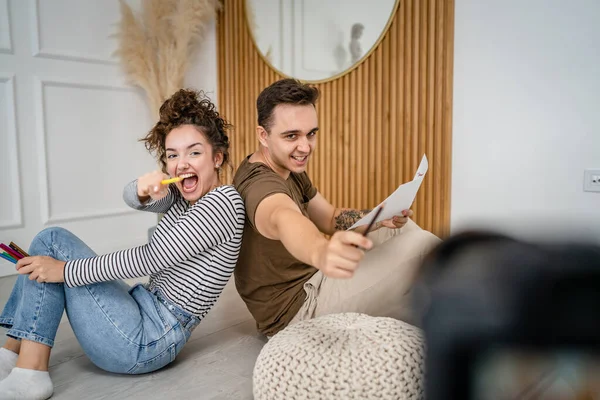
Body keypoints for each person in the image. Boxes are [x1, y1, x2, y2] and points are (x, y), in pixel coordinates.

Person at [0, 89, 245, 399]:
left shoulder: (223, 202)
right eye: (172, 155)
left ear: (217, 157)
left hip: (149, 339)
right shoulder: (181, 197)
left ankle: (31, 371)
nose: (182, 164)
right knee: (50, 239)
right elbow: (132, 197)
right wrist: (142, 189)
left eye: (194, 152)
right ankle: (12, 353)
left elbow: (152, 258)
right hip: (141, 307)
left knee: (52, 249)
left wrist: (65, 271)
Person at [233, 78, 441, 338]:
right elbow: (282, 217)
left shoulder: (288, 165)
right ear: (263, 135)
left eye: (311, 133)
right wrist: (320, 251)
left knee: (403, 229)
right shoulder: (259, 185)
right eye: (291, 136)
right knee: (422, 244)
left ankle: (416, 309)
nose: (305, 146)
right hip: (297, 312)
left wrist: (381, 215)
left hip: (315, 279)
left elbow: (330, 218)